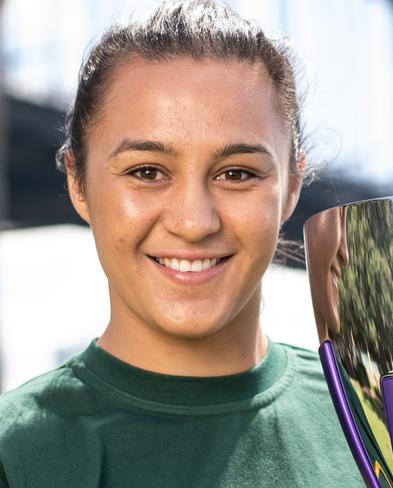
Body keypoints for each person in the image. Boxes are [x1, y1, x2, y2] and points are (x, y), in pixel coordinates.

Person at [0, 1, 364, 486]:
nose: (193, 223)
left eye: (237, 174)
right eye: (146, 172)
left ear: (293, 186)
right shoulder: (15, 455)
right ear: (77, 182)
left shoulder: (377, 425)